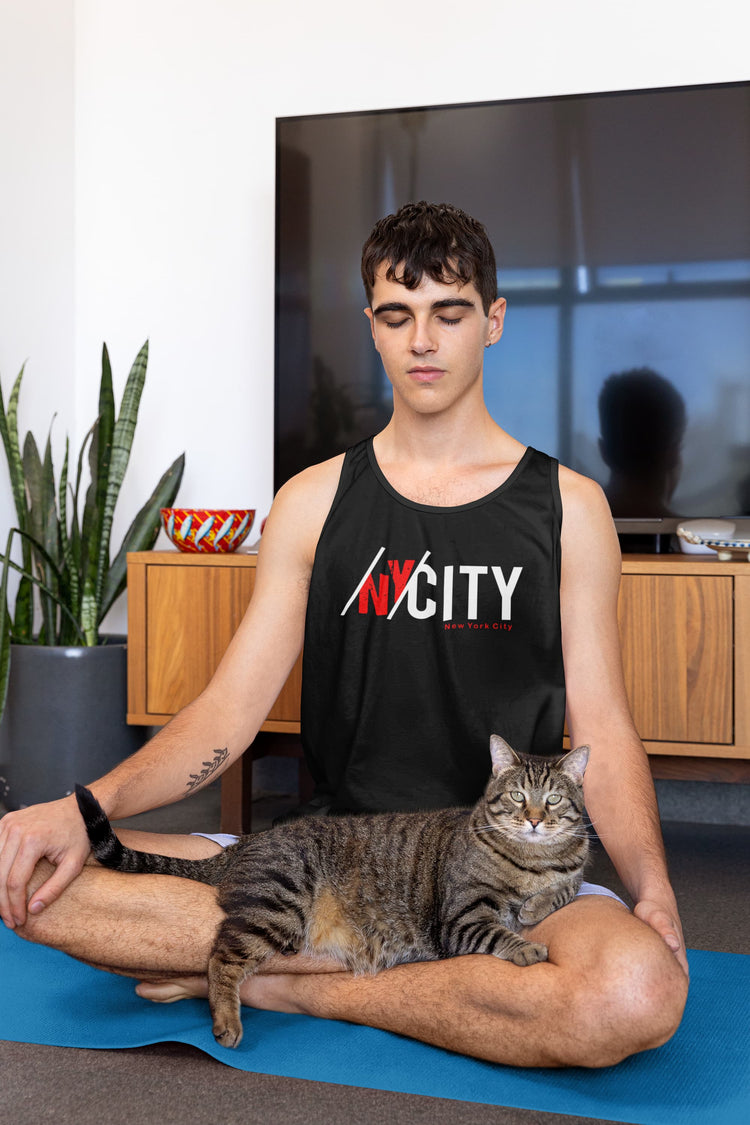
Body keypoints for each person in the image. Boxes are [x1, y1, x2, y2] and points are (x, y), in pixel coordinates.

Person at [0, 202, 688, 1069]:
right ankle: (414, 980)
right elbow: (226, 717)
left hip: (513, 875)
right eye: (398, 316)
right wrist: (82, 807)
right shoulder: (313, 501)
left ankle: (292, 983)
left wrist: (654, 888)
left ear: (494, 320)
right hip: (334, 864)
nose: (423, 340)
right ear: (373, 327)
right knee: (27, 869)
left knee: (636, 994)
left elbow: (604, 728)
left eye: (450, 312)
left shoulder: (572, 510)